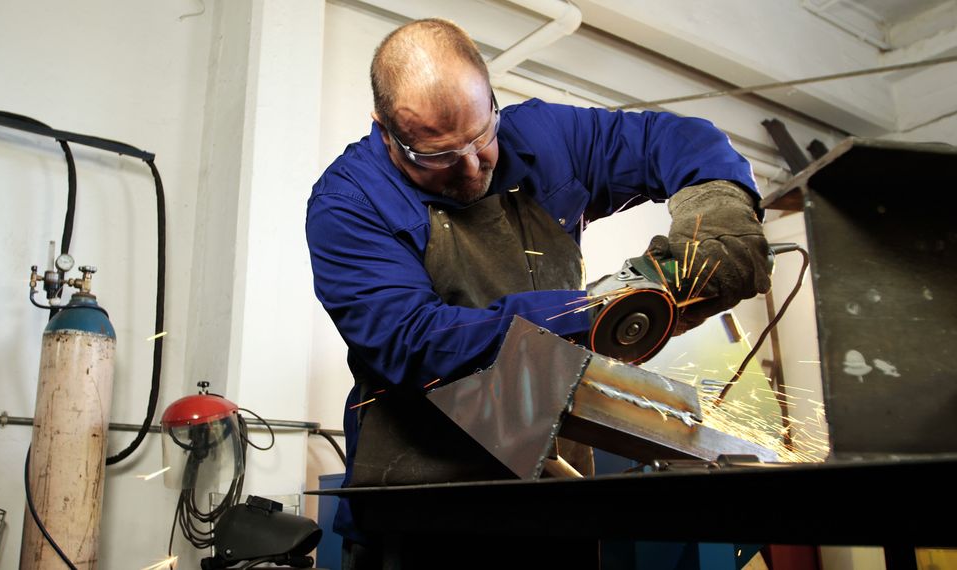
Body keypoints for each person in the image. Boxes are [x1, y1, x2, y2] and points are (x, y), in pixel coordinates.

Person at [305, 18, 770, 565]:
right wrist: (599, 307)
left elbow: (677, 139)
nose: (473, 167)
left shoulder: (544, 137)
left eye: (482, 137)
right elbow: (417, 344)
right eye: (439, 156)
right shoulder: (348, 204)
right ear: (385, 130)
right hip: (425, 507)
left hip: (556, 490)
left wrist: (717, 203)